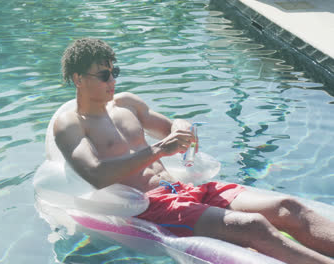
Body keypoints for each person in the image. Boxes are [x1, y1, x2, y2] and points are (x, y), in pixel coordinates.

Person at [54, 38, 334, 264]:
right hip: (150, 206)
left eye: (115, 72)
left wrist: (182, 126)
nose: (112, 80)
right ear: (78, 78)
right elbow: (96, 175)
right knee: (253, 226)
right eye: (104, 75)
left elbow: (169, 127)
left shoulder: (126, 104)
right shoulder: (70, 125)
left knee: (288, 208)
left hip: (184, 189)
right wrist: (161, 149)